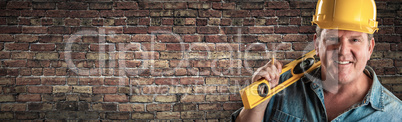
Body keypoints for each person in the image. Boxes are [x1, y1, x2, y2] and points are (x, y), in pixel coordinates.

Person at [232, 0, 402, 121]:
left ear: (370, 47)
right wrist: (258, 103)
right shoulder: (279, 87)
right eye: (332, 39)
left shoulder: (394, 114)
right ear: (317, 44)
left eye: (355, 40)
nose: (342, 51)